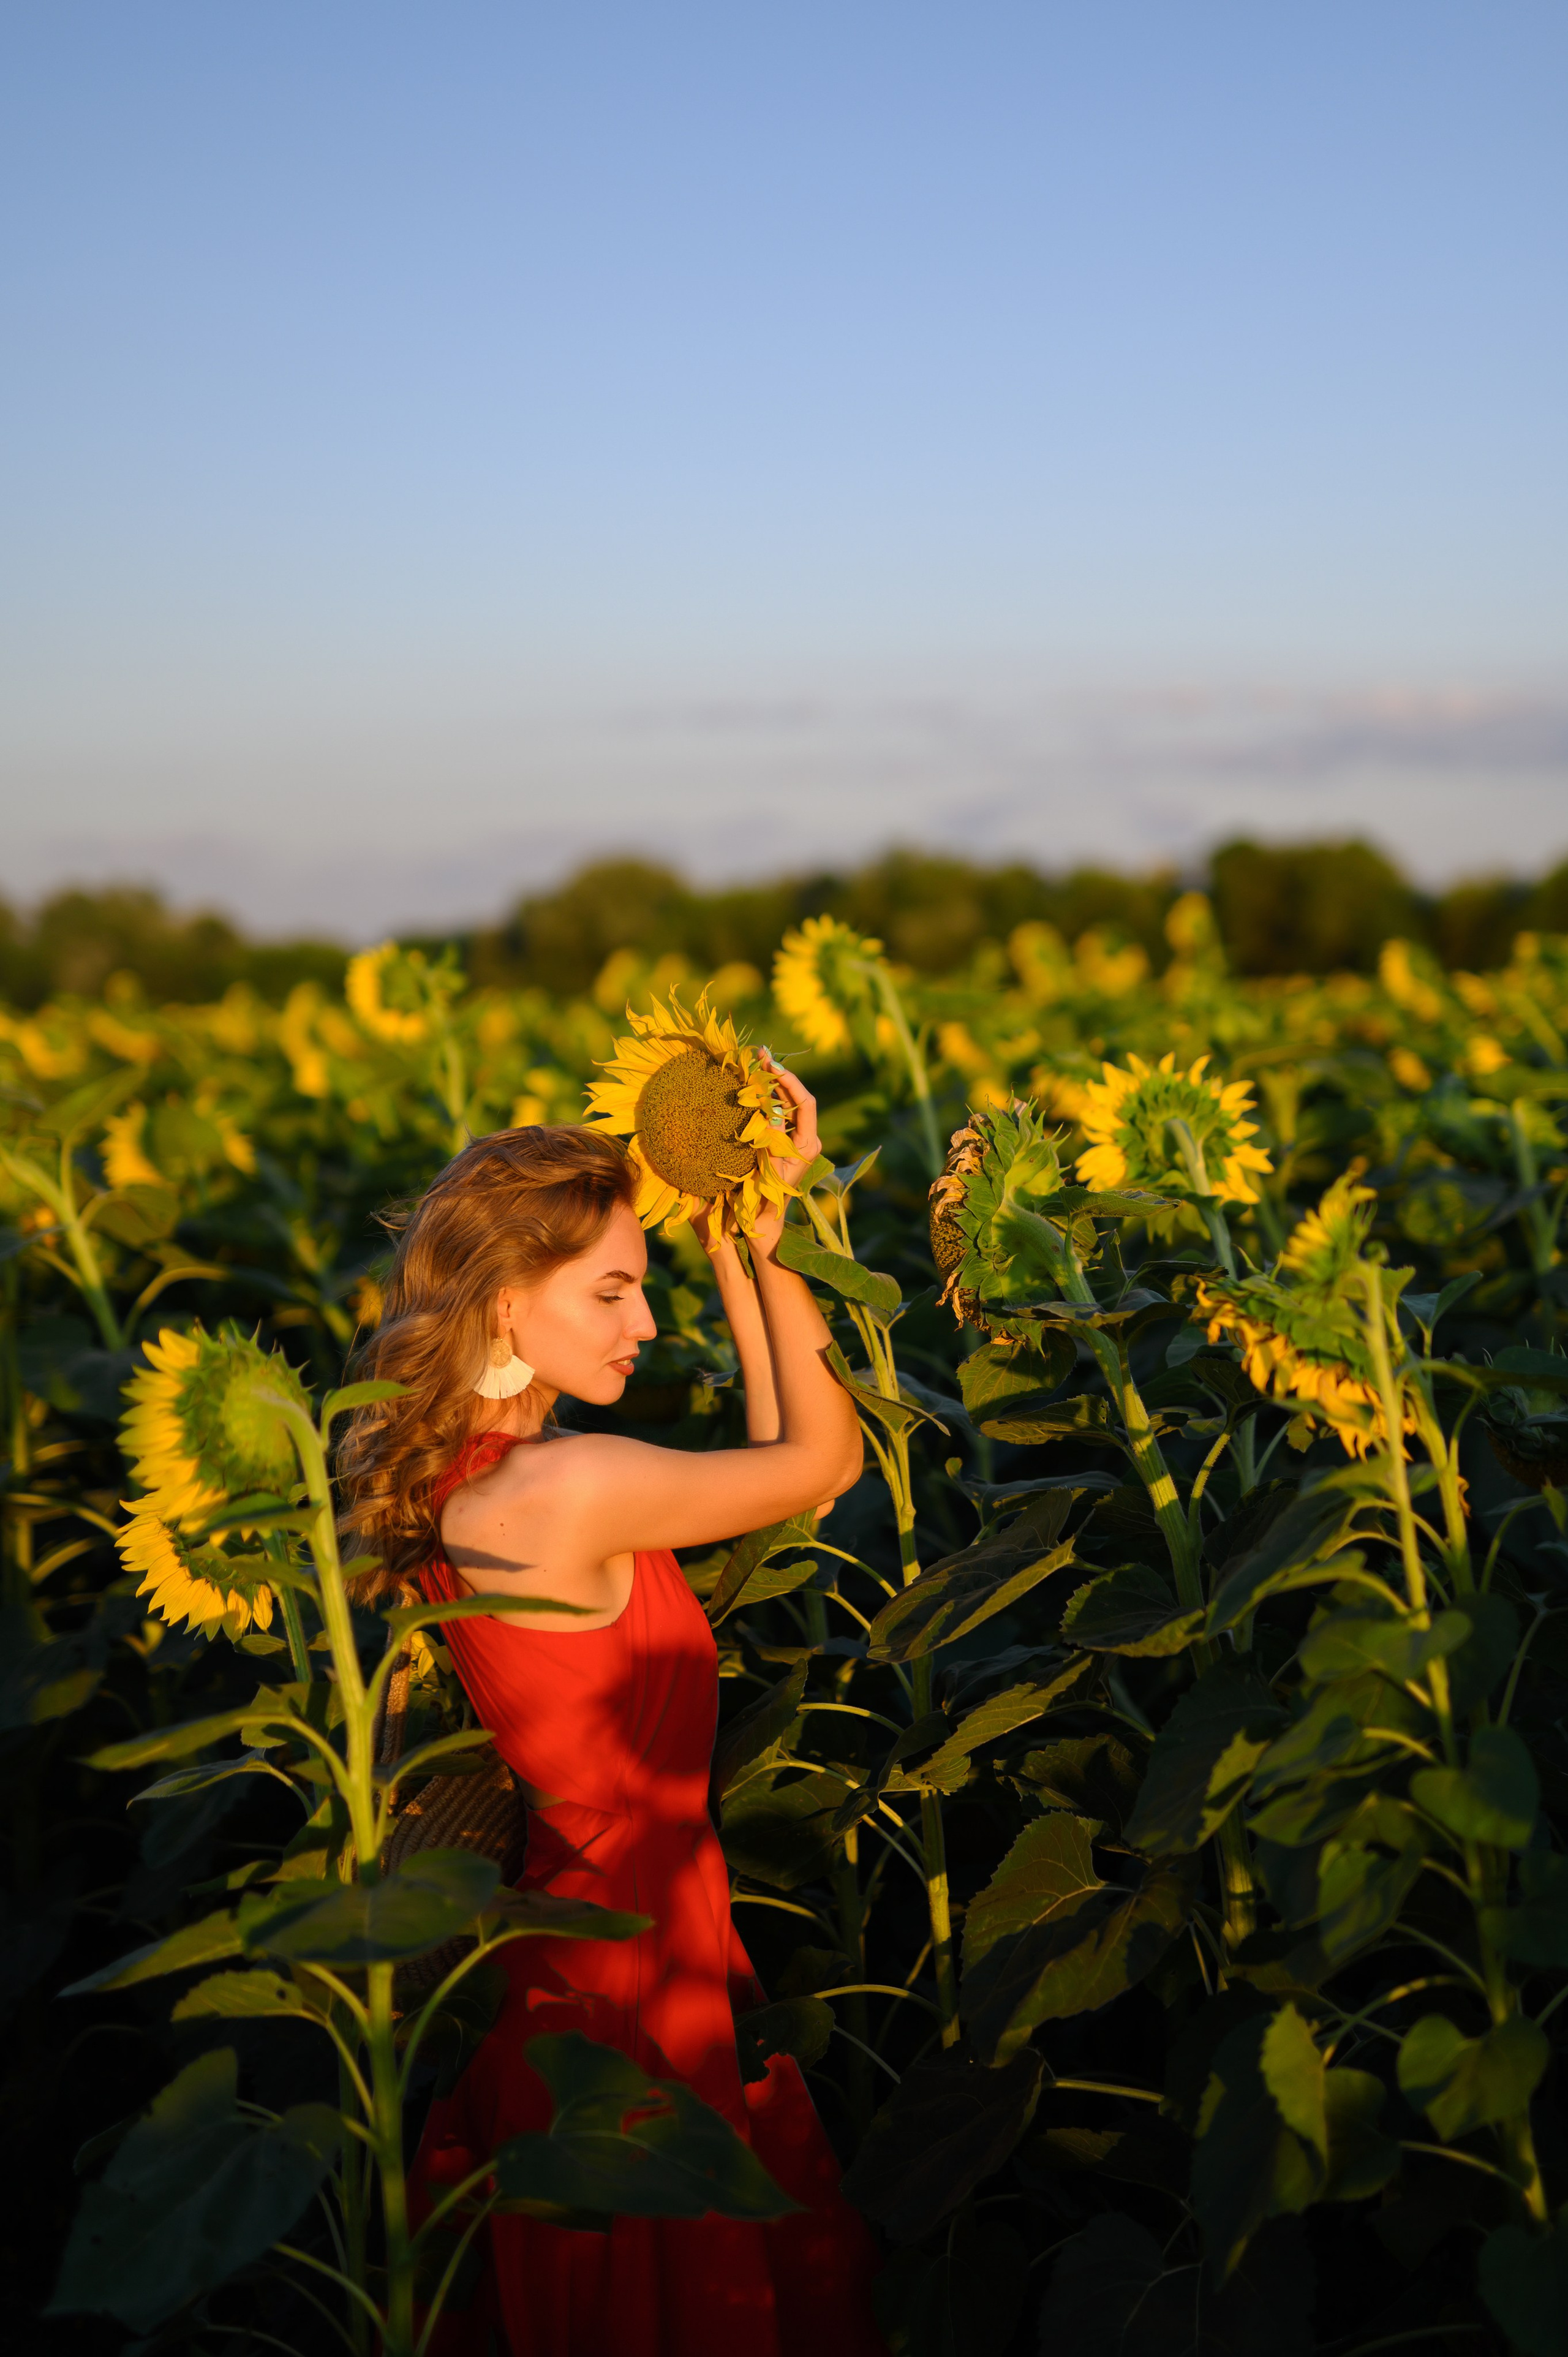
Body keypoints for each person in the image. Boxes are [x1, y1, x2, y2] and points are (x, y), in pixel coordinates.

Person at [338, 1058, 888, 2357]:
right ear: (505, 1300)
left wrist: (740, 1235)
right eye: (609, 1291)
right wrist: (784, 1246)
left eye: (643, 1284)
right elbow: (823, 1462)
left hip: (593, 1950)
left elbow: (786, 1470)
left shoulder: (482, 1479)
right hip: (632, 1972)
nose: (643, 1321)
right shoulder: (565, 1490)